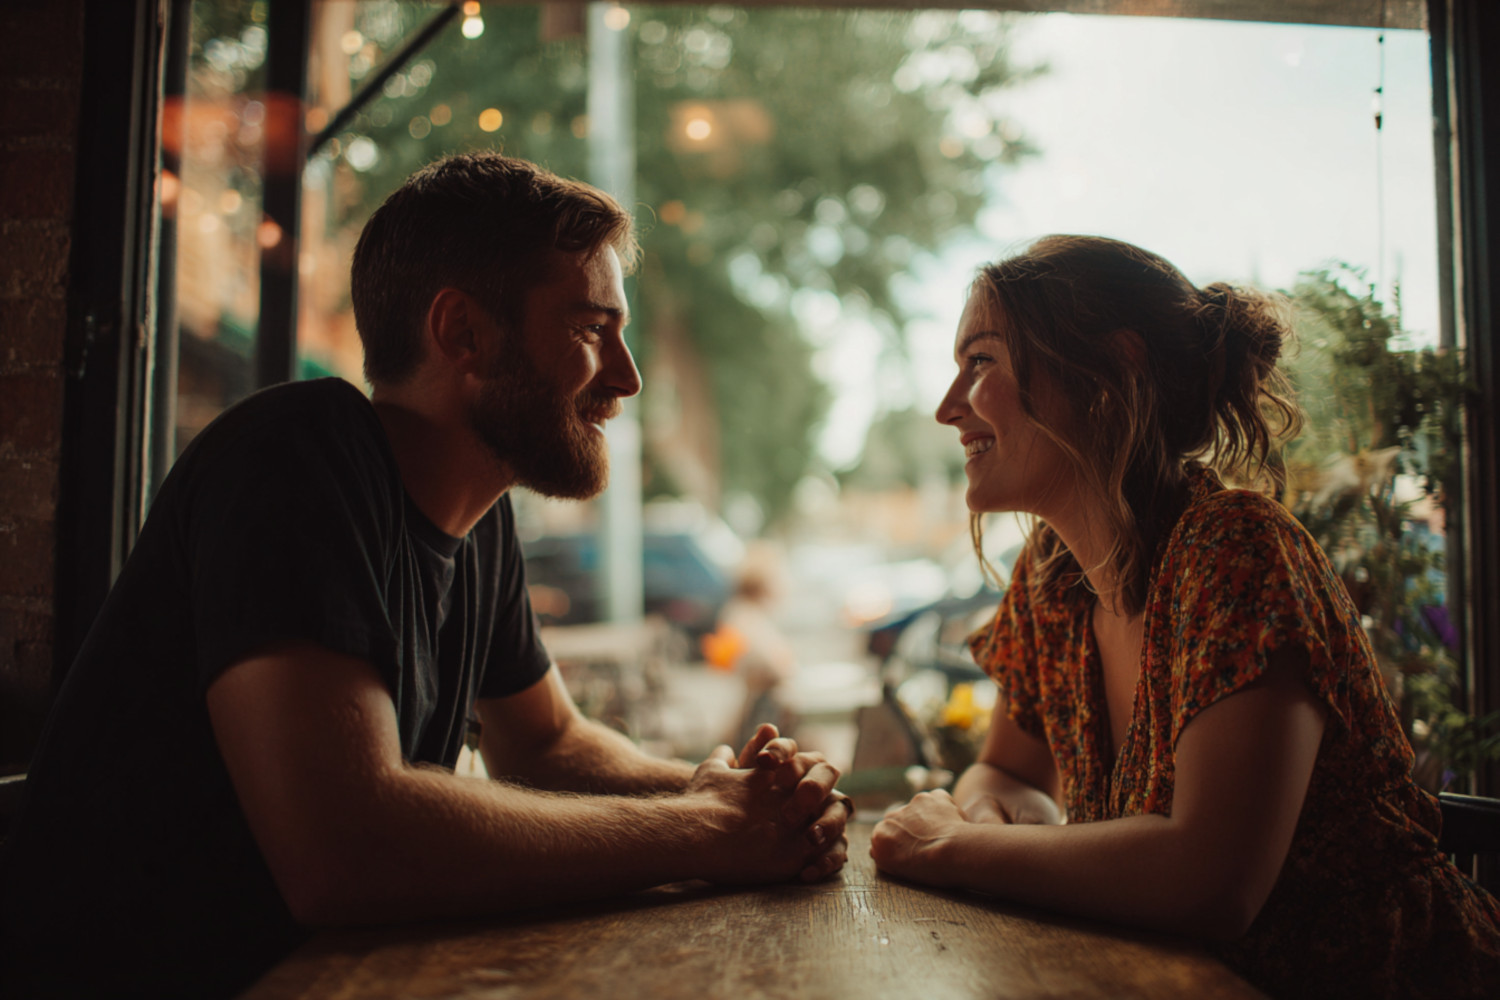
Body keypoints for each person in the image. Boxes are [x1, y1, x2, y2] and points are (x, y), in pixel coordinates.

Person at [0, 153, 848, 999]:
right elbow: (345, 848)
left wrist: (739, 799)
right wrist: (702, 830)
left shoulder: (480, 522)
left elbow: (549, 743)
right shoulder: (295, 456)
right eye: (592, 330)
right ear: (462, 333)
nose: (625, 379)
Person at [869, 235, 1500, 998]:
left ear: (1109, 371)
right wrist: (991, 822)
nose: (948, 408)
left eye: (981, 363)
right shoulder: (1052, 576)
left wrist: (952, 847)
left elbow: (1212, 883)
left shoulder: (1234, 550)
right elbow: (1005, 769)